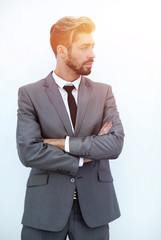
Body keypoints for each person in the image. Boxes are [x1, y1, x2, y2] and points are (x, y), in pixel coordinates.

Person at [16, 16, 124, 240]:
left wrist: (61, 143)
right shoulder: (30, 94)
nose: (92, 54)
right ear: (62, 51)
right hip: (45, 208)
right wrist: (83, 157)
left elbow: (114, 144)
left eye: (93, 46)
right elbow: (29, 152)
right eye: (84, 47)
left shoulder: (104, 92)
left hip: (95, 210)